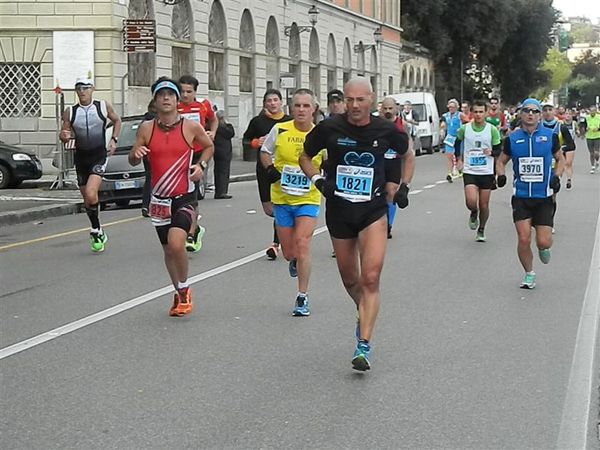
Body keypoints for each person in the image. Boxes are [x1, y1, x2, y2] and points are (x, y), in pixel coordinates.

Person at [299, 77, 415, 371]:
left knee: (371, 277)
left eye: (360, 100)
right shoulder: (330, 127)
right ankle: (362, 310)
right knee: (352, 280)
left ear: (371, 100)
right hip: (339, 210)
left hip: (372, 210)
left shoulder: (386, 129)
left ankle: (363, 344)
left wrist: (403, 186)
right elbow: (305, 157)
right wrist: (317, 181)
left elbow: (408, 153)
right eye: (349, 100)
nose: (354, 106)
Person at [128, 77, 214, 316]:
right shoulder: (147, 128)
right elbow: (133, 158)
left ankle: (185, 290)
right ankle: (178, 290)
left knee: (177, 243)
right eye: (161, 94)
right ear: (155, 101)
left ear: (177, 100)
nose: (166, 98)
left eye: (170, 94)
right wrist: (136, 153)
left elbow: (208, 146)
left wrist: (202, 166)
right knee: (168, 250)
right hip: (159, 199)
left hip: (185, 195)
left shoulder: (190, 126)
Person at [260, 88, 324, 316]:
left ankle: (302, 297)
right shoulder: (279, 130)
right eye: (297, 105)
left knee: (303, 243)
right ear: (291, 108)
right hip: (282, 198)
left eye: (306, 106)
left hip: (308, 198)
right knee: (289, 252)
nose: (301, 110)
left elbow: (331, 160)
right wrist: (270, 169)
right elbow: (264, 151)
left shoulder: (320, 134)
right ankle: (293, 259)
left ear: (314, 110)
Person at [496, 98, 564, 289]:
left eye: (535, 111)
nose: (530, 114)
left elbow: (560, 159)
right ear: (521, 114)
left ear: (540, 114)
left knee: (543, 241)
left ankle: (543, 247)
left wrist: (556, 177)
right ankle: (529, 273)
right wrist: (500, 175)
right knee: (524, 238)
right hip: (522, 197)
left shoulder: (550, 136)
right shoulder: (512, 139)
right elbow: (501, 161)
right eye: (527, 111)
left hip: (543, 197)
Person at [59, 77, 121, 253]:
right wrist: (64, 136)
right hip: (81, 158)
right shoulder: (70, 111)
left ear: (92, 89)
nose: (82, 91)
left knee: (91, 193)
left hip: (98, 156)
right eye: (78, 88)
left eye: (85, 88)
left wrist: (114, 140)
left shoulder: (102, 106)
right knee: (88, 200)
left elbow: (117, 120)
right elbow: (64, 132)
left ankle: (94, 231)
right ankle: (98, 228)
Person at [243, 89, 292, 260]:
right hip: (264, 169)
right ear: (264, 103)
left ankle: (275, 244)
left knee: (281, 207)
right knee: (269, 209)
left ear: (281, 102)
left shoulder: (290, 122)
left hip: (284, 170)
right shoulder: (258, 122)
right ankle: (286, 227)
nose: (272, 103)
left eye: (275, 100)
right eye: (269, 100)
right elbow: (246, 140)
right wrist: (256, 142)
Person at [177, 75, 217, 252]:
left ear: (195, 91)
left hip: (198, 153)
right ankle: (191, 227)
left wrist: (212, 132)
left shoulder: (203, 105)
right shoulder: (174, 106)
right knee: (179, 194)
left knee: (191, 193)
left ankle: (192, 232)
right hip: (179, 154)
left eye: (189, 91)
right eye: (182, 91)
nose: (185, 95)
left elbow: (214, 119)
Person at [453, 100, 502, 242]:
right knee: (471, 201)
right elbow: (457, 143)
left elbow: (499, 150)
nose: (479, 115)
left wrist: (492, 152)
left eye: (481, 112)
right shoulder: (465, 128)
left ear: (486, 113)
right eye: (476, 112)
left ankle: (482, 229)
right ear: (472, 113)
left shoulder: (492, 129)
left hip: (486, 171)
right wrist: (459, 159)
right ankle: (473, 212)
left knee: (484, 205)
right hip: (470, 170)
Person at [380, 97, 413, 239]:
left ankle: (388, 225)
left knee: (391, 192)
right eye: (385, 108)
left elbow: (409, 147)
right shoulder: (376, 124)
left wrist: (405, 184)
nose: (388, 111)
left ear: (396, 109)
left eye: (390, 108)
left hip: (394, 161)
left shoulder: (403, 125)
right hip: (379, 162)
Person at [540, 102, 576, 189]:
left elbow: (572, 145)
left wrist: (560, 149)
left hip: (555, 160)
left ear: (554, 111)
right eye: (545, 110)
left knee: (553, 186)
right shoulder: (537, 126)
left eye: (550, 110)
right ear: (542, 113)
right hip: (541, 160)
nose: (547, 112)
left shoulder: (561, 127)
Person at [213, 110, 235, 199]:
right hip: (224, 151)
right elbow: (231, 133)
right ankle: (222, 192)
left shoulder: (215, 127)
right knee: (224, 172)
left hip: (217, 151)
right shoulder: (224, 127)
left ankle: (218, 191)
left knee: (217, 171)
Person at [141, 99, 157, 217]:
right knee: (156, 179)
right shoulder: (156, 121)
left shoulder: (144, 121)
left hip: (146, 153)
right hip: (155, 152)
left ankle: (145, 205)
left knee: (149, 179)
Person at [440, 98, 462, 182]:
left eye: (453, 107)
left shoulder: (460, 115)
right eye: (449, 107)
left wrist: (462, 128)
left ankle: (460, 170)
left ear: (457, 107)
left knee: (458, 156)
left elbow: (468, 122)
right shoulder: (445, 116)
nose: (451, 109)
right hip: (449, 138)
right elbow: (443, 123)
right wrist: (442, 128)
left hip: (458, 138)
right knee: (449, 155)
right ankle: (449, 173)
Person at [582, 105, 600, 173]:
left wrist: (598, 129)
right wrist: (584, 131)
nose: (592, 112)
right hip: (589, 136)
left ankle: (597, 161)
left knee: (596, 152)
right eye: (591, 111)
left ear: (596, 111)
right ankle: (592, 166)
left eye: (593, 111)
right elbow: (583, 125)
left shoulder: (599, 117)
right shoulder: (586, 118)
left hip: (597, 136)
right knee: (591, 153)